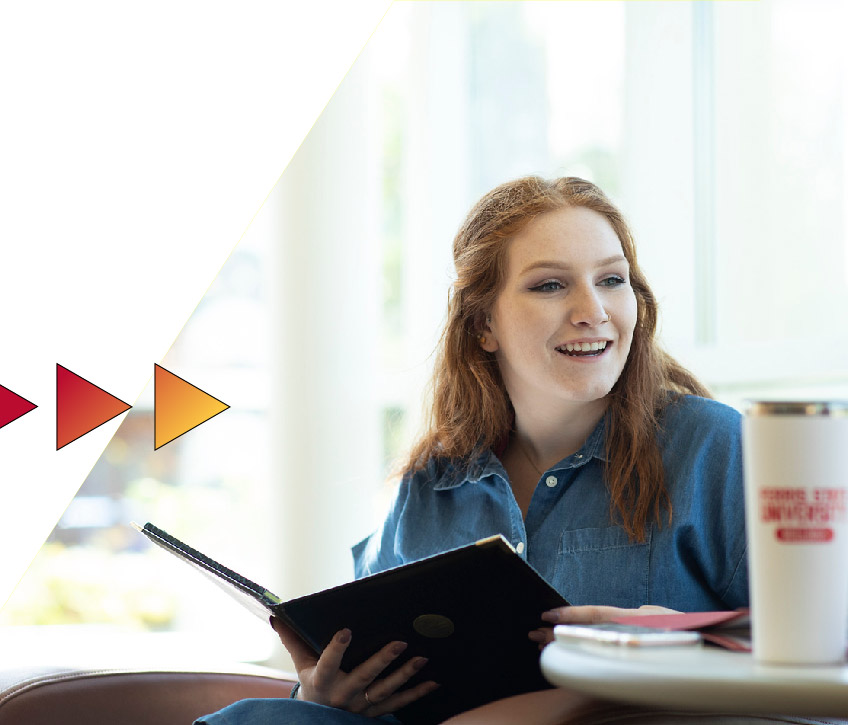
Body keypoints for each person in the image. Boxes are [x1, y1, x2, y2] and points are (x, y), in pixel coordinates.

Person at [197, 176, 749, 725]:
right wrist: (322, 696)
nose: (593, 310)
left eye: (611, 279)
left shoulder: (714, 448)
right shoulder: (430, 486)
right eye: (550, 285)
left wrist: (680, 641)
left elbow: (827, 661)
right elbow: (357, 660)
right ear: (484, 323)